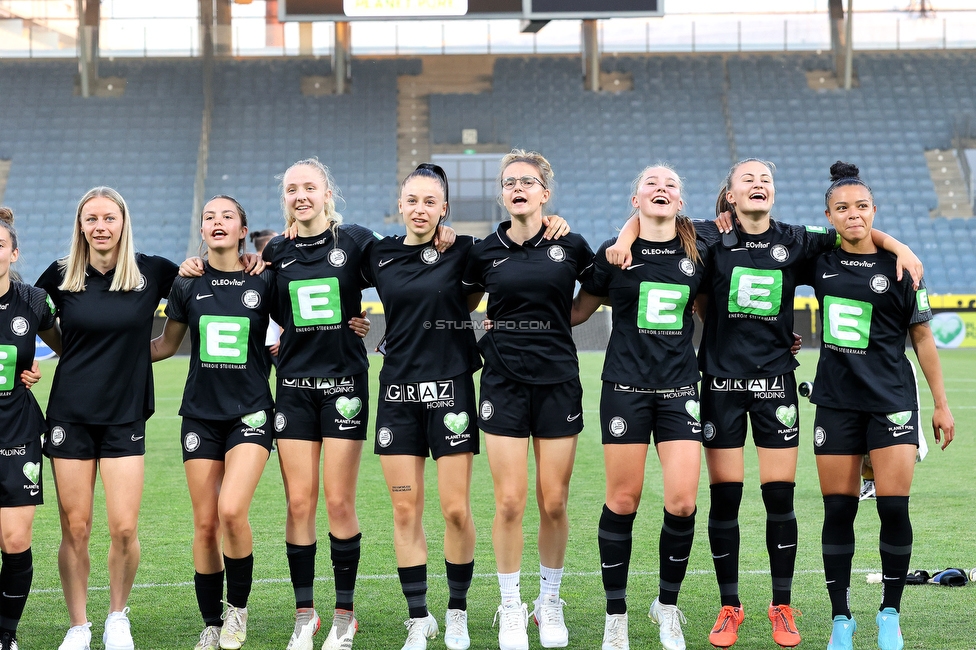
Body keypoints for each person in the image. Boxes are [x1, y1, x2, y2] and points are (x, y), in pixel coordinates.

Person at [607, 158, 923, 649]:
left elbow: (854, 230)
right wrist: (626, 240)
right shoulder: (707, 237)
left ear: (774, 193)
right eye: (747, 179)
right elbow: (651, 218)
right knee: (726, 499)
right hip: (720, 385)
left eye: (766, 179)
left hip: (775, 384)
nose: (758, 184)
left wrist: (898, 244)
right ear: (729, 195)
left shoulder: (799, 238)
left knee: (780, 498)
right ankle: (729, 606)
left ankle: (782, 605)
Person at [807, 162, 953, 650]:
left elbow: (923, 338)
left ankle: (890, 613)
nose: (853, 215)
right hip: (834, 403)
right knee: (838, 512)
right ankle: (841, 619)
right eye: (842, 209)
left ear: (875, 210)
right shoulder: (818, 256)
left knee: (893, 508)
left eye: (862, 207)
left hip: (892, 402)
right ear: (828, 216)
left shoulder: (903, 270)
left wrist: (941, 405)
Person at [571, 165, 709, 650]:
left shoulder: (701, 248)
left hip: (679, 390)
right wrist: (511, 318)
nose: (661, 189)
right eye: (651, 184)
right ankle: (616, 616)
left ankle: (666, 607)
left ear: (680, 200)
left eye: (671, 184)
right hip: (625, 389)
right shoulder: (614, 253)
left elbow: (718, 309)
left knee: (683, 501)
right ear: (636, 200)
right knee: (623, 500)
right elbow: (575, 312)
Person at [35, 187, 179, 650]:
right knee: (74, 528)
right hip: (70, 415)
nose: (100, 227)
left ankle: (118, 616)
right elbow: (28, 316)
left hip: (124, 415)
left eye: (109, 218)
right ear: (80, 225)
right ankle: (78, 626)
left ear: (123, 222)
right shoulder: (59, 275)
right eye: (91, 218)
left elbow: (211, 286)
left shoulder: (152, 272)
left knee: (123, 527)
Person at [462, 150, 594, 650]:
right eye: (509, 181)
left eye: (528, 181)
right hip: (503, 382)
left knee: (553, 500)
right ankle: (512, 604)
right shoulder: (483, 251)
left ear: (545, 193)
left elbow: (592, 296)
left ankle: (549, 602)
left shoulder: (571, 243)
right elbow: (460, 303)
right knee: (511, 500)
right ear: (502, 194)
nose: (517, 187)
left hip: (558, 380)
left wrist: (562, 320)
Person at [364, 164, 482, 650]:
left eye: (430, 201)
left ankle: (456, 611)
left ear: (444, 208)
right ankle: (421, 616)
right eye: (412, 200)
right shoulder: (378, 254)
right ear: (400, 204)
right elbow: (325, 258)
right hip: (397, 396)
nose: (420, 209)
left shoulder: (466, 251)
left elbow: (516, 250)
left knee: (455, 509)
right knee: (405, 508)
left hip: (450, 392)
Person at [261, 158, 378, 650]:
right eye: (292, 189)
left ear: (328, 193)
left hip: (344, 384)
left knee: (337, 500)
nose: (300, 195)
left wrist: (443, 233)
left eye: (309, 187)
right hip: (293, 388)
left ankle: (345, 616)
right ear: (285, 197)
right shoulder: (275, 250)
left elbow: (403, 275)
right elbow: (251, 304)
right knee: (299, 500)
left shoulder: (355, 241)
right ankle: (304, 615)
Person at [151, 196, 275, 650]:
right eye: (209, 217)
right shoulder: (186, 285)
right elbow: (165, 346)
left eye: (227, 216)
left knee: (231, 511)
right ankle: (211, 621)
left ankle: (237, 611)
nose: (217, 222)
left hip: (251, 412)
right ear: (201, 231)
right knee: (205, 524)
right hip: (200, 415)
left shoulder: (264, 279)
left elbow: (297, 328)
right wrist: (104, 354)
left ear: (243, 230)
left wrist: (354, 327)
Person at [0, 207, 61, 650]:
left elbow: (68, 345)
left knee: (15, 537)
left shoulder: (34, 301)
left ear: (14, 252)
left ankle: (6, 633)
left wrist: (35, 368)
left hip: (18, 428)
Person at [249, 229, 282, 361]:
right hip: (270, 340)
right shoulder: (269, 270)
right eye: (277, 240)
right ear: (269, 243)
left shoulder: (246, 268)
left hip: (268, 340)